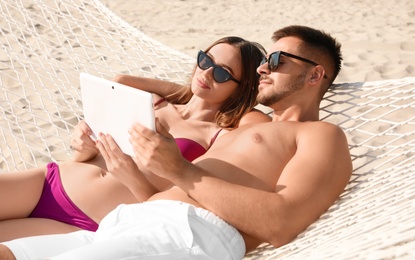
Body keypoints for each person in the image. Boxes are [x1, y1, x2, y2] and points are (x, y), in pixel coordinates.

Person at [0, 25, 352, 260]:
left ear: (315, 74)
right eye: (263, 62)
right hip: (127, 221)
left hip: (185, 233)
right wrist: (192, 94)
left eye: (276, 61)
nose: (263, 68)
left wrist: (180, 171)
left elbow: (282, 223)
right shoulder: (243, 124)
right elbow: (197, 97)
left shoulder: (323, 135)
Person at [0, 36, 269, 242]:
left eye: (221, 73)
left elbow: (262, 123)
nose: (206, 73)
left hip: (84, 221)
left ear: (242, 88)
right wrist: (82, 146)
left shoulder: (220, 136)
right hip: (49, 181)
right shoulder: (153, 102)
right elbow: (121, 79)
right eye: (205, 60)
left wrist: (132, 176)